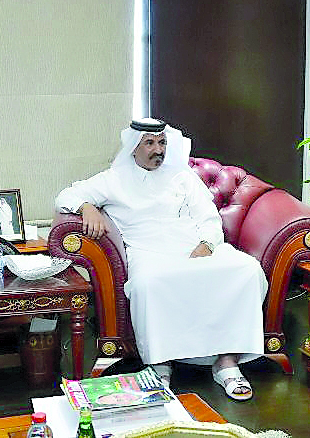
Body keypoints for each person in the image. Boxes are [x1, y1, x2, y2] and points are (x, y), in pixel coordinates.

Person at [54, 118, 267, 401]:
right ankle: (159, 366)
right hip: (147, 251)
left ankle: (226, 363)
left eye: (162, 142)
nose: (158, 150)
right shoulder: (113, 179)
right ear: (133, 147)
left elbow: (208, 217)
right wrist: (86, 207)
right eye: (150, 143)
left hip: (195, 246)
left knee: (247, 270)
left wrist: (206, 244)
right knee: (148, 283)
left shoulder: (182, 176)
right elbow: (66, 195)